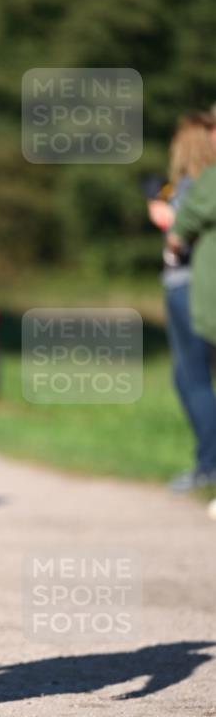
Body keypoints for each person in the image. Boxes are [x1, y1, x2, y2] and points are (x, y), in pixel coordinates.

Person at [147, 112, 216, 492]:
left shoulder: (197, 185)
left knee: (193, 377)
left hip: (190, 285)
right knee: (188, 376)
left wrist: (167, 221)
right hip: (194, 285)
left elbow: (180, 232)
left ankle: (209, 464)